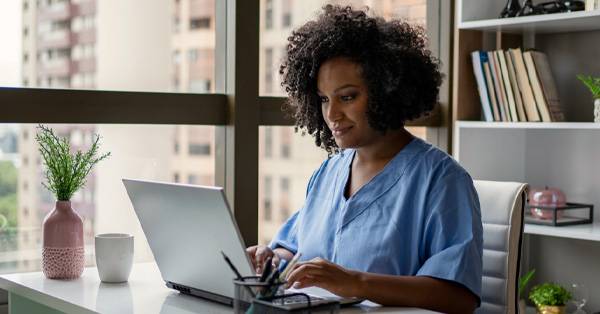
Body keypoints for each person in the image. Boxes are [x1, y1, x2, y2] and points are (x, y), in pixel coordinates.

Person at [246, 5, 482, 313]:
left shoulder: (441, 180)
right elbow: (294, 248)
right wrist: (273, 258)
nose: (331, 114)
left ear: (388, 91)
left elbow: (459, 296)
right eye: (323, 99)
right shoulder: (327, 173)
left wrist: (358, 283)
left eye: (347, 97)